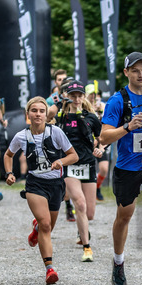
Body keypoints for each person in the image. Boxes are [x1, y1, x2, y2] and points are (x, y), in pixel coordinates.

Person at [100, 51, 142, 285]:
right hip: (128, 166)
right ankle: (118, 262)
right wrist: (127, 127)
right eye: (135, 70)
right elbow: (104, 137)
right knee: (124, 216)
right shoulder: (117, 101)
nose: (141, 74)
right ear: (126, 72)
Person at [4, 96, 78, 285]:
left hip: (55, 184)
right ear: (27, 114)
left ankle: (35, 229)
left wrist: (61, 161)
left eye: (41, 111)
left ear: (47, 114)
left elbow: (73, 156)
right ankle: (49, 269)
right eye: (34, 110)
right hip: (35, 184)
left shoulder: (56, 132)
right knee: (46, 224)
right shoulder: (21, 136)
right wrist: (10, 173)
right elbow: (8, 154)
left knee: (48, 227)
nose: (38, 114)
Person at [56, 80, 103, 262]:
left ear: (83, 96)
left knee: (89, 213)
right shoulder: (62, 116)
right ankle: (87, 248)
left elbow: (100, 138)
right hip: (70, 165)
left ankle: (81, 227)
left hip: (88, 164)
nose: (76, 98)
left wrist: (100, 148)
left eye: (79, 95)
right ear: (67, 96)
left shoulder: (91, 117)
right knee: (80, 204)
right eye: (72, 95)